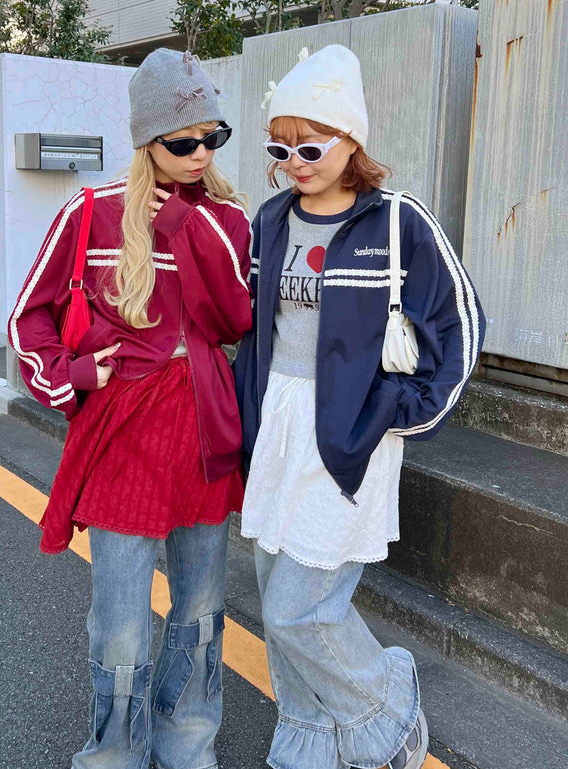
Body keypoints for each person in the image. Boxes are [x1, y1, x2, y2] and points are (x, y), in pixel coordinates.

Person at [233, 45, 485, 769]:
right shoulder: (271, 218)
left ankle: (387, 711)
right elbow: (254, 326)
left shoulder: (398, 222)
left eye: (310, 146)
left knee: (298, 608)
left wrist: (403, 411)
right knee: (271, 591)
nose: (294, 163)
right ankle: (307, 737)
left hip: (350, 432)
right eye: (280, 148)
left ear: (351, 141)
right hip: (276, 427)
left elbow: (460, 321)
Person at [8, 48, 252, 769]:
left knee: (201, 611)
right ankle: (115, 755)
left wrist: (183, 224)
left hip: (203, 427)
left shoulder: (227, 218)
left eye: (213, 137)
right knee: (119, 623)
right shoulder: (92, 212)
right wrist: (72, 375)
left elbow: (235, 318)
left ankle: (188, 745)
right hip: (123, 435)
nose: (201, 153)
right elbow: (29, 315)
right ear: (148, 139)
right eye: (184, 142)